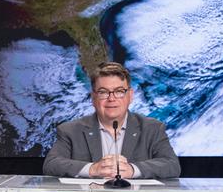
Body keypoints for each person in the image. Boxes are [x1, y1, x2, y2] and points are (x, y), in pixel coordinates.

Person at [43, 62, 181, 179]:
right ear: (93, 97)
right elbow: (51, 164)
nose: (111, 98)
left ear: (130, 96)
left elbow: (172, 165)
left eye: (119, 91)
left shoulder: (153, 128)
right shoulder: (70, 130)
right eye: (103, 92)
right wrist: (92, 169)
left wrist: (132, 170)